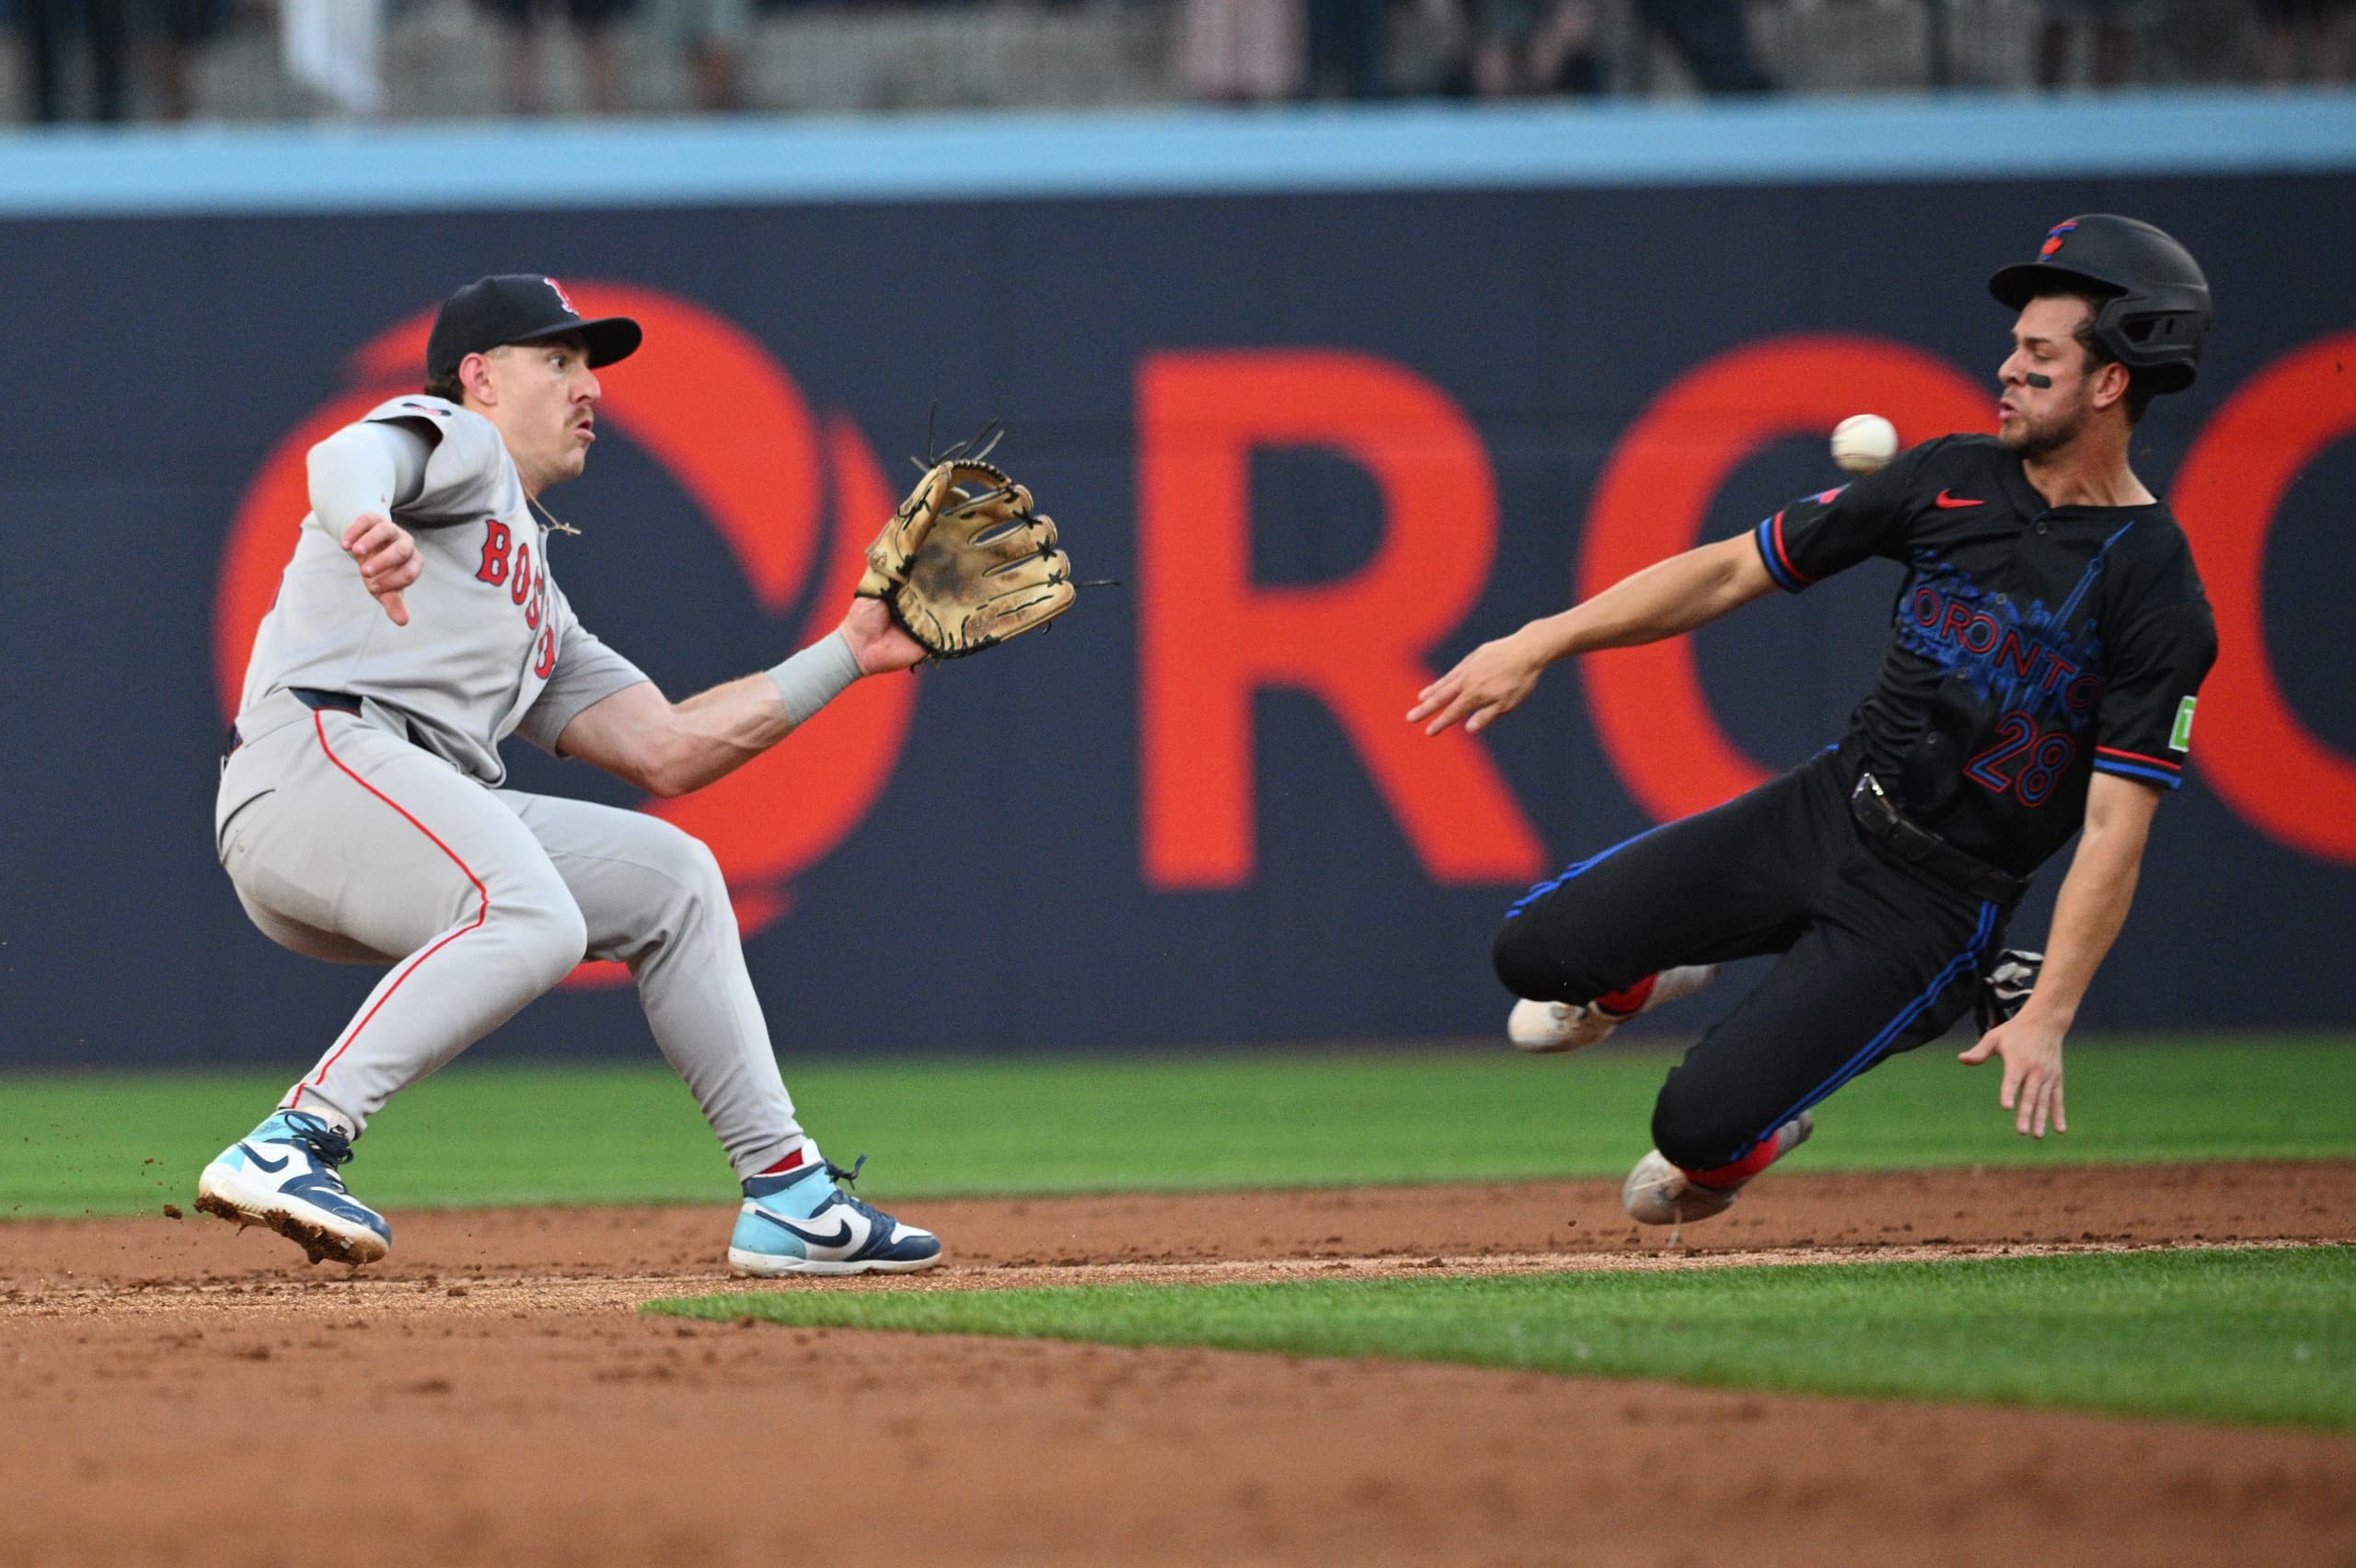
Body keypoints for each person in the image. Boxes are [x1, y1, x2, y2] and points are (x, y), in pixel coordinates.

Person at [1408, 215, 2216, 1226]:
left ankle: (1760, 1130)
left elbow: (2114, 827)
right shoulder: (1947, 477)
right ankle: (1637, 977)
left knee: (1692, 1134)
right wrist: (1542, 638)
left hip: (1931, 905)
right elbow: (1732, 568)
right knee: (1531, 955)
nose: (2006, 367)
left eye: (2038, 355)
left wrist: (2048, 1009)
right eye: (2013, 346)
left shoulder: (2156, 592)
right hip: (1832, 808)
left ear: (2110, 381)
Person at [198, 274, 942, 1276]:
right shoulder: (459, 442)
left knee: (670, 878)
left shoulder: (534, 601)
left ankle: (789, 1196)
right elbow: (345, 456)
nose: (586, 387)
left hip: (386, 821)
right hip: (313, 767)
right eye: (557, 361)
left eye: (589, 365)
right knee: (534, 914)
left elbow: (668, 748)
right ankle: (295, 1141)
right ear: (480, 378)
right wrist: (366, 516)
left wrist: (849, 652)